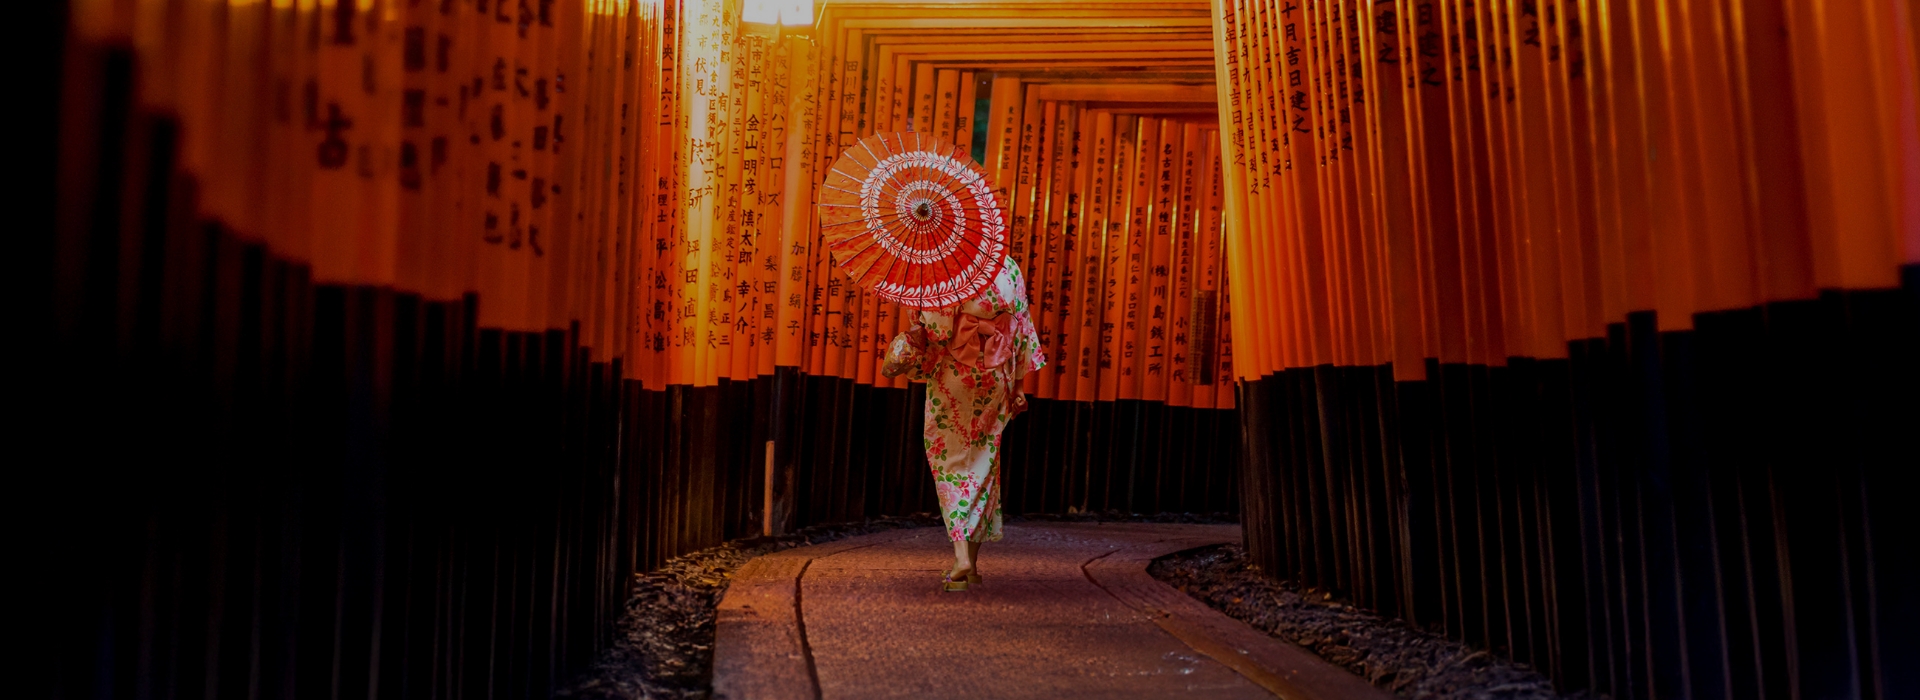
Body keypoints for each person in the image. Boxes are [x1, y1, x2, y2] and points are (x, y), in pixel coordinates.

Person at [887, 255, 1044, 592]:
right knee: (984, 461)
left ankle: (961, 558)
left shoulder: (941, 267)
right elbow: (1020, 328)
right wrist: (1017, 386)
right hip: (996, 373)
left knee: (952, 462)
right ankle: (971, 563)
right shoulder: (1008, 267)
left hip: (953, 374)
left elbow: (937, 329)